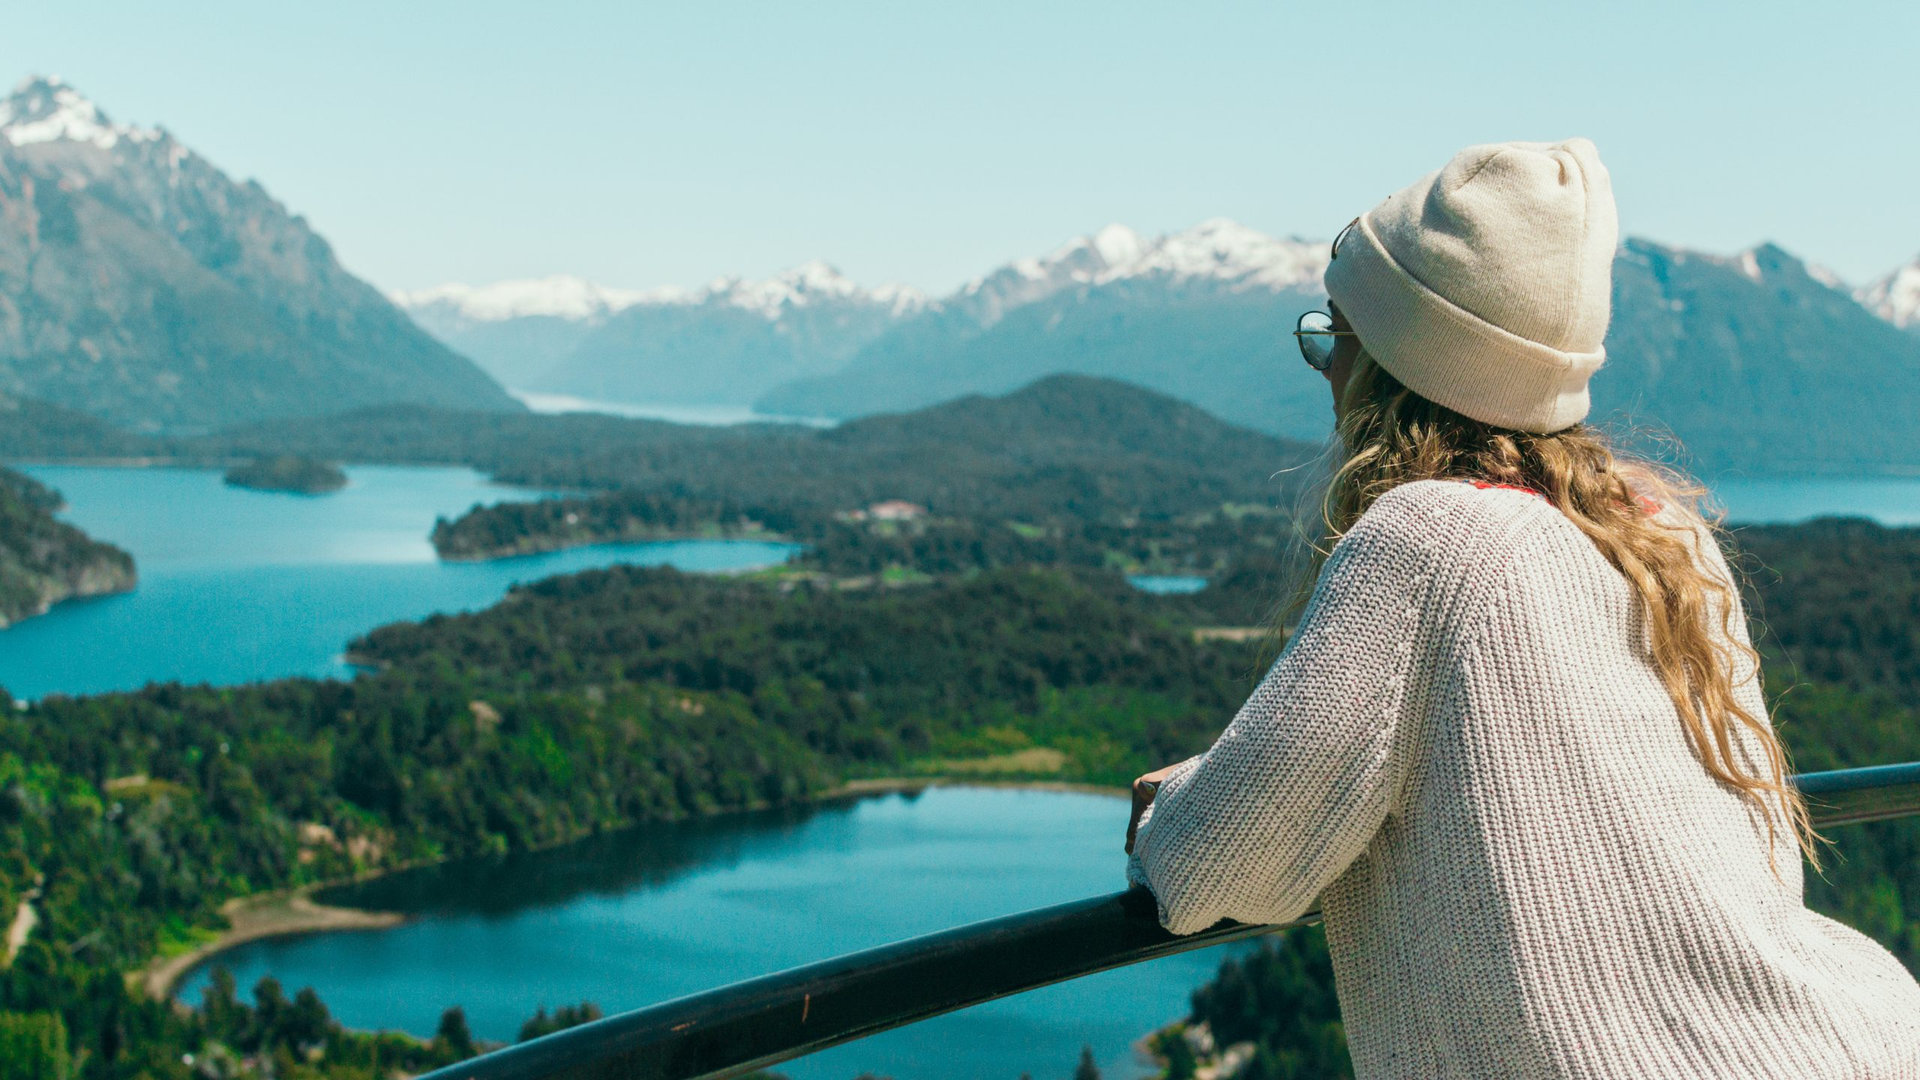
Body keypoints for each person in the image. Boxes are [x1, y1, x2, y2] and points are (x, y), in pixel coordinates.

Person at [1122, 138, 1920, 1077]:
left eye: (1334, 337)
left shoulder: (1426, 539)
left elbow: (1215, 867)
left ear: (1392, 363)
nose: (1325, 370)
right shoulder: (1666, 535)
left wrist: (1171, 806)